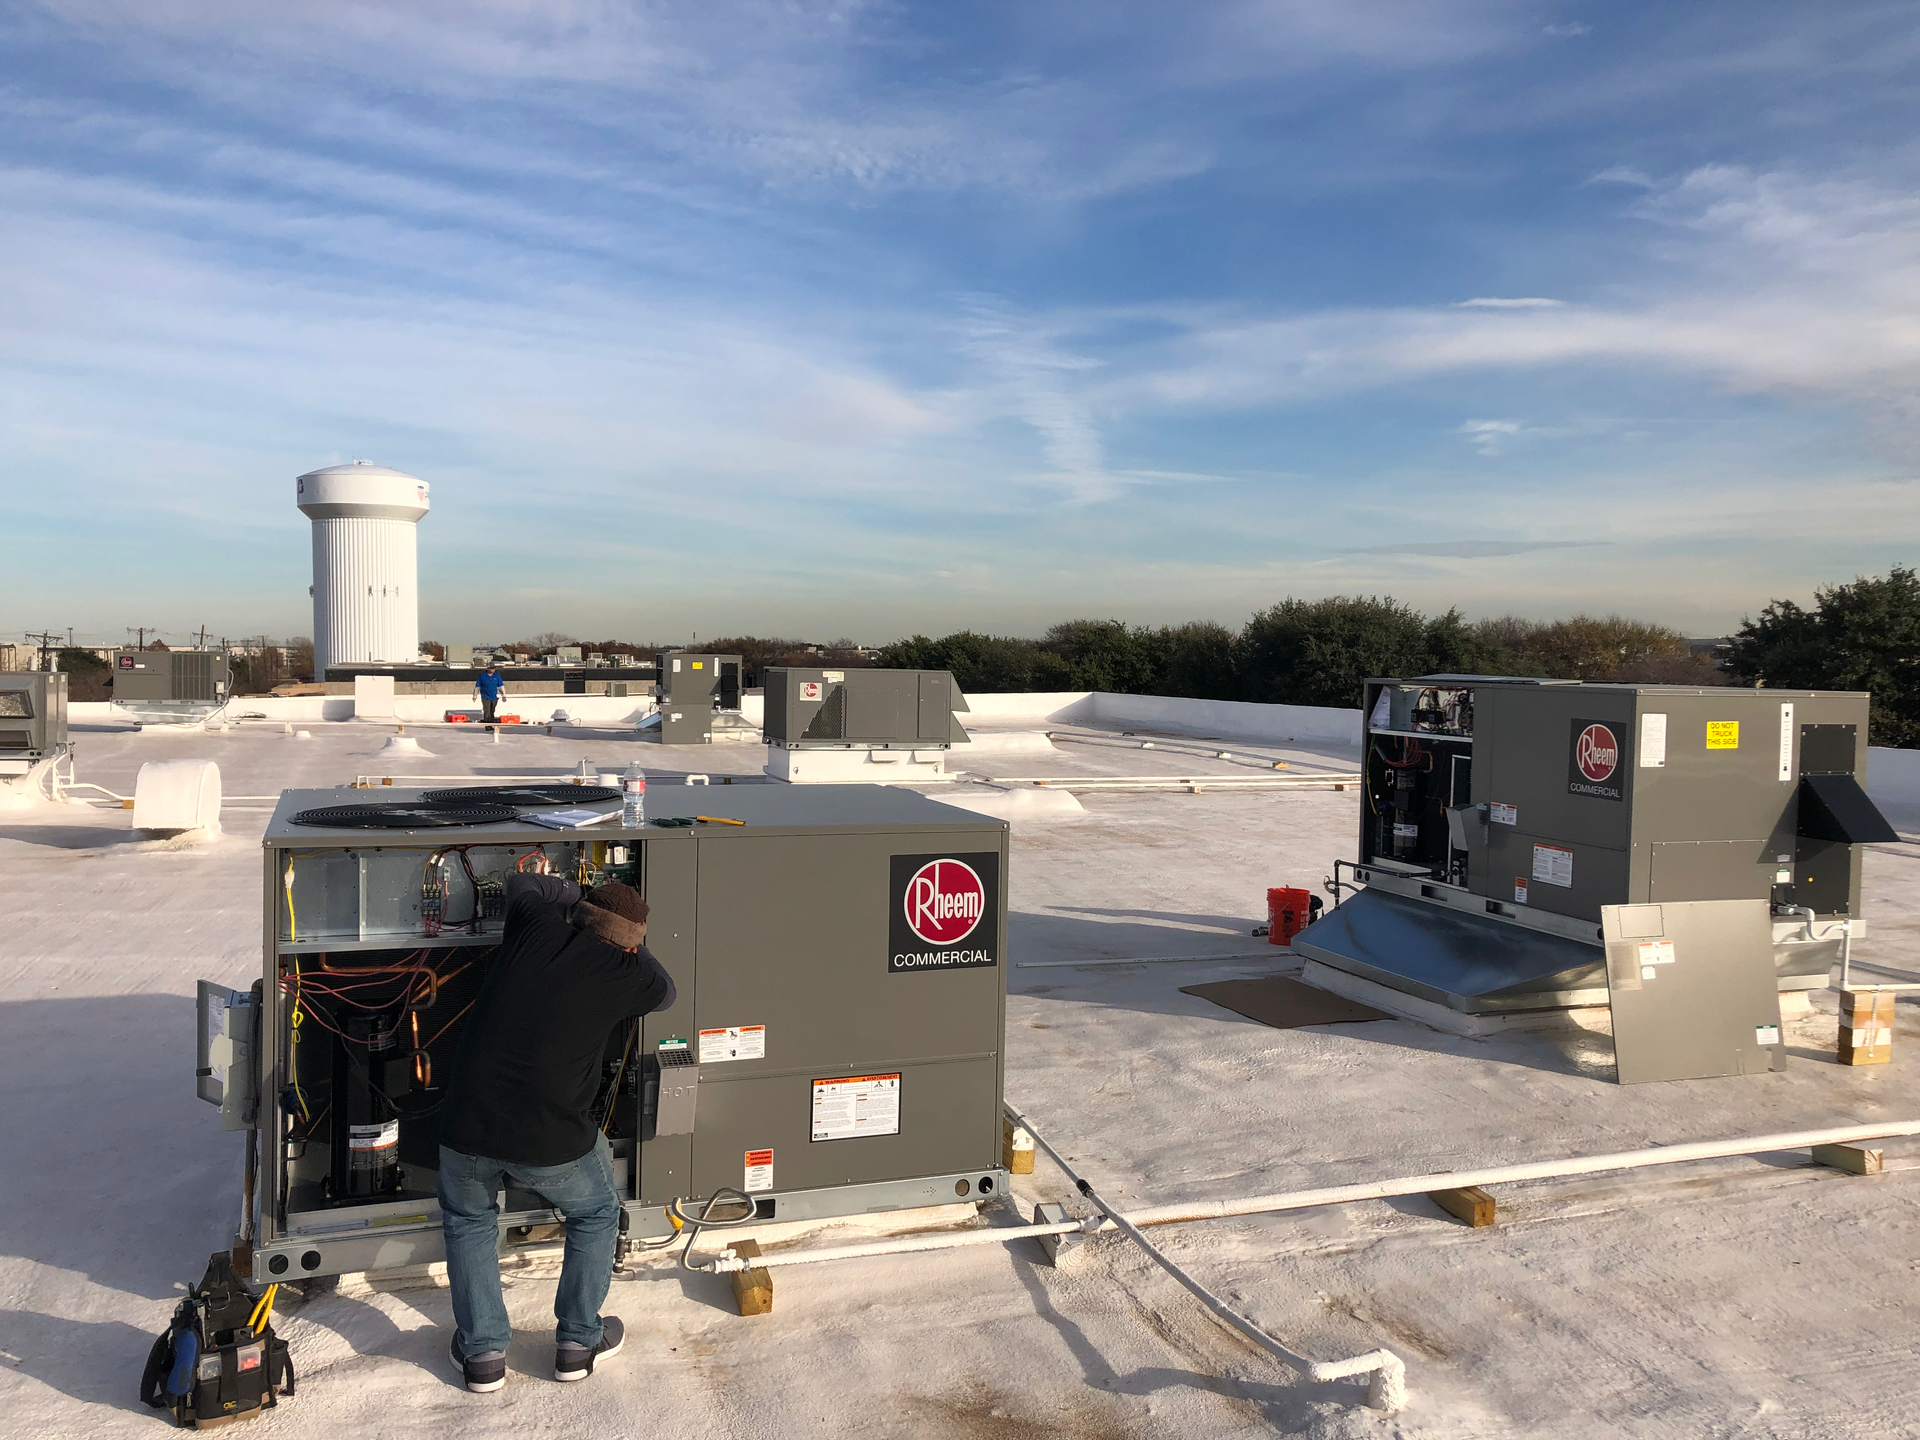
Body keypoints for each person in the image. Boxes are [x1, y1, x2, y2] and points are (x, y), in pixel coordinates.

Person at [435, 873, 675, 1393]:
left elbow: (524, 882)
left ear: (581, 919)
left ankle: (482, 1356)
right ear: (630, 943)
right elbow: (667, 991)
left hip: (465, 1125)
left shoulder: (536, 928)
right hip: (549, 1140)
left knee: (469, 1222)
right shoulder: (629, 974)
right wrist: (637, 948)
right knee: (596, 1214)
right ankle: (577, 1344)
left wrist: (575, 895)